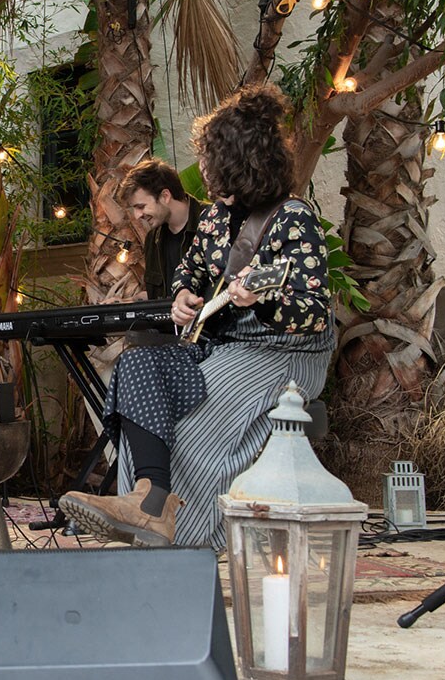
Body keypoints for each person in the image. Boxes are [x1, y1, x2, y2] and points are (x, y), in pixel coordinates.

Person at [59, 83, 334, 550]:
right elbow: (190, 270)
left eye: (209, 157)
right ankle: (150, 501)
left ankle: (183, 530)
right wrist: (183, 294)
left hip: (282, 352)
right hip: (221, 345)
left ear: (237, 159)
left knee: (190, 422)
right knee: (136, 364)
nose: (202, 167)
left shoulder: (293, 218)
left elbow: (313, 313)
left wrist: (261, 300)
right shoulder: (214, 219)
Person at [116, 158, 207, 300]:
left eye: (141, 206)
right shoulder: (153, 239)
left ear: (165, 196)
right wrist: (127, 302)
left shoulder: (213, 221)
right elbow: (159, 295)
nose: (137, 215)